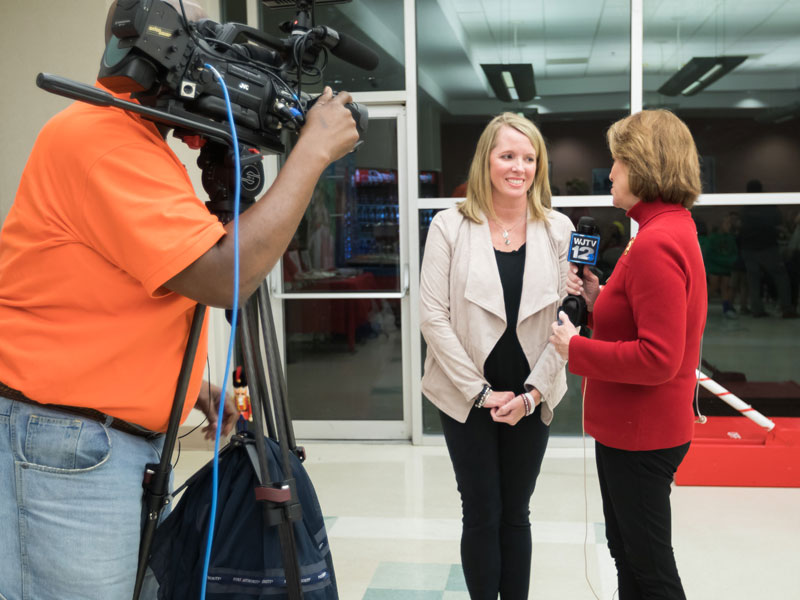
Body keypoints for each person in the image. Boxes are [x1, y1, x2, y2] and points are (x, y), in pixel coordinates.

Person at [0, 1, 360, 599]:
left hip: (95, 441)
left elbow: (114, 293)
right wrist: (311, 155)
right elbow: (224, 276)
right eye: (207, 39)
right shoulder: (105, 140)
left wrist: (193, 388)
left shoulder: (133, 142)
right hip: (70, 445)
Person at [549, 109, 707, 600]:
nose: (611, 172)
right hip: (636, 431)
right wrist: (599, 302)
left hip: (641, 435)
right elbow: (646, 322)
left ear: (642, 165)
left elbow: (659, 357)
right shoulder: (666, 230)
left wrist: (576, 348)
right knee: (630, 558)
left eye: (617, 161)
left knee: (651, 570)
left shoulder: (657, 243)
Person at [420, 112, 573, 599]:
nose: (519, 168)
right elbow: (433, 317)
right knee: (481, 510)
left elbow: (568, 322)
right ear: (486, 160)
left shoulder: (558, 229)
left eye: (529, 158)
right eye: (508, 156)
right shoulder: (450, 225)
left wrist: (531, 396)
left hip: (534, 392)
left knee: (516, 512)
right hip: (466, 395)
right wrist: (480, 394)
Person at [738, 179, 798, 318]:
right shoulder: (768, 203)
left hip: (748, 248)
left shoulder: (745, 207)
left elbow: (741, 225)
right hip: (768, 247)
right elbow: (777, 220)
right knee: (781, 277)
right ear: (761, 189)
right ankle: (786, 309)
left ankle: (757, 310)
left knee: (753, 280)